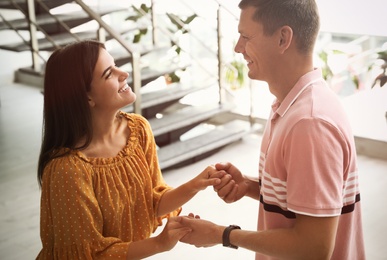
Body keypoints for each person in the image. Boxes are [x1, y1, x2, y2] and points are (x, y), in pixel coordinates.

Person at [178, 0, 365, 259]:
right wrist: (248, 185)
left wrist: (221, 234)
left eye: (245, 37)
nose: (237, 48)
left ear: (282, 39)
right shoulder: (290, 105)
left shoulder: (309, 123)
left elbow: (314, 248)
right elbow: (300, 201)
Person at [36, 40, 223, 259]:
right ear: (86, 97)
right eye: (109, 73)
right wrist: (160, 243)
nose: (123, 73)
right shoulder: (67, 170)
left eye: (115, 65)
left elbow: (150, 203)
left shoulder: (137, 129)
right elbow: (89, 254)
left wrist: (196, 184)